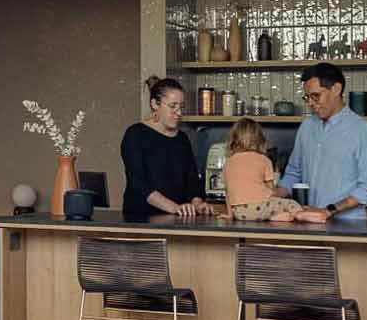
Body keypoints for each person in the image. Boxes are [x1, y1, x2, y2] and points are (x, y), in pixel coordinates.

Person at [279, 62, 367, 219]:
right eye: (307, 97)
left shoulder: (364, 131)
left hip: (348, 228)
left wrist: (329, 211)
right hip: (308, 222)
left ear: (336, 89)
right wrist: (270, 195)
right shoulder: (306, 127)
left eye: (316, 96)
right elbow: (294, 173)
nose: (310, 103)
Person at [119, 75, 212, 223]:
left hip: (178, 220)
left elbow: (192, 181)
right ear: (155, 104)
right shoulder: (135, 135)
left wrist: (197, 204)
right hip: (140, 220)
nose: (179, 113)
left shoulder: (182, 139)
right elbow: (139, 184)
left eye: (181, 107)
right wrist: (175, 208)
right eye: (172, 106)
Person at [221, 117, 308, 224]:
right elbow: (271, 191)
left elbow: (227, 192)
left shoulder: (228, 163)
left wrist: (230, 215)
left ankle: (275, 216)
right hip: (260, 208)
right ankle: (301, 215)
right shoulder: (264, 160)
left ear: (233, 140)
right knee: (291, 204)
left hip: (239, 213)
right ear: (260, 140)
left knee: (270, 208)